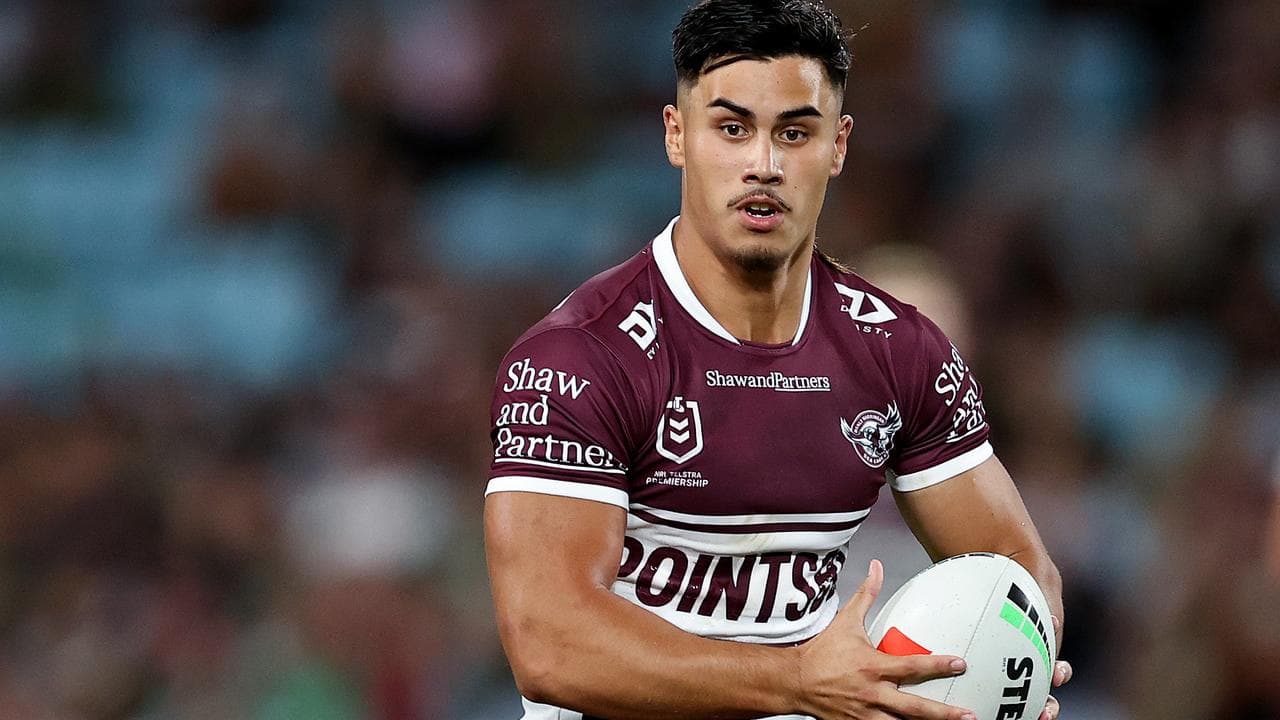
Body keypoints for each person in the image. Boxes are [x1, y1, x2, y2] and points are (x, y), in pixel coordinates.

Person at [484, 1, 1072, 718]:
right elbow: (550, 643)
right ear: (677, 135)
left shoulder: (899, 351)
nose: (763, 165)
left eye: (795, 132)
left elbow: (1016, 569)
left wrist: (1009, 672)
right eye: (732, 128)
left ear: (839, 145)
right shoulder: (581, 357)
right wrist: (796, 681)